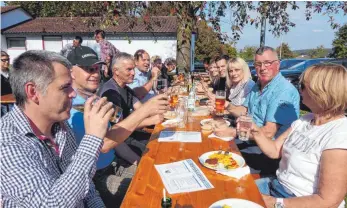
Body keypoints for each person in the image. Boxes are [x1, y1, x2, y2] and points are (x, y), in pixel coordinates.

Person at [1, 50, 113, 207]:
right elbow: (51, 204)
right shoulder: (7, 143)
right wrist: (93, 138)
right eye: (65, 87)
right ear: (33, 92)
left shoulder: (60, 126)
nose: (73, 93)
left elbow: (85, 185)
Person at [67, 47, 169, 207]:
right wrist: (146, 111)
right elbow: (105, 143)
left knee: (158, 175)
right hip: (96, 178)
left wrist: (137, 160)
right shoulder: (71, 107)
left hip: (116, 163)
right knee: (150, 193)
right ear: (71, 72)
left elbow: (118, 132)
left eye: (96, 68)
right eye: (88, 69)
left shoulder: (95, 99)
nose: (94, 73)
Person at [252, 64, 347, 208]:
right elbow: (274, 150)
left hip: (297, 200)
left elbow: (328, 201)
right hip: (276, 186)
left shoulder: (339, 134)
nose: (299, 89)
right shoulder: (305, 120)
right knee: (227, 189)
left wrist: (275, 203)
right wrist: (255, 130)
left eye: (303, 86)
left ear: (321, 92)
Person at [215, 46, 300, 176]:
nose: (262, 68)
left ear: (278, 64)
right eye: (258, 64)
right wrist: (227, 106)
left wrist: (233, 132)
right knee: (215, 146)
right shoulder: (258, 85)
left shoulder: (283, 91)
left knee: (219, 164)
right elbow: (244, 110)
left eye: (267, 63)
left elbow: (268, 132)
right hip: (250, 141)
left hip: (267, 153)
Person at [99, 52, 167, 154]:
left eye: (133, 69)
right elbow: (118, 128)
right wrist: (150, 121)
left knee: (164, 140)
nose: (133, 73)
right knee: (158, 150)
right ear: (115, 71)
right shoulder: (111, 93)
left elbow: (141, 108)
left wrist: (163, 110)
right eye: (129, 69)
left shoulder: (126, 89)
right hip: (121, 143)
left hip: (131, 134)